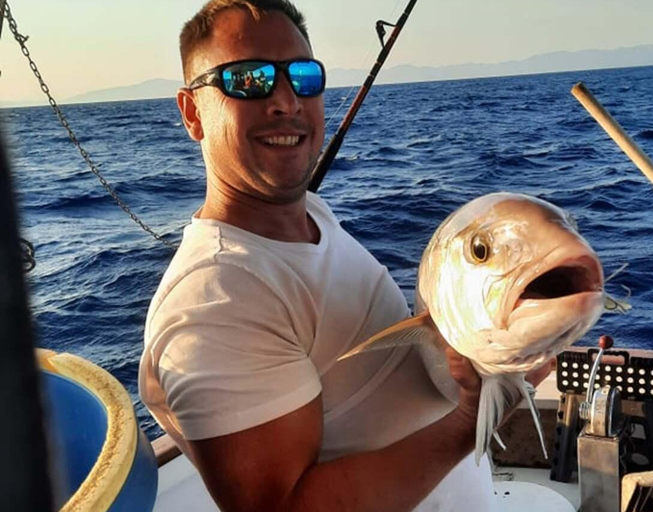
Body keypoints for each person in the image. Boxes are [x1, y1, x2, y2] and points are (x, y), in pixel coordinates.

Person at [138, 1, 550, 511]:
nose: (285, 100)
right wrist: (472, 423)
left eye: (304, 77)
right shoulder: (214, 302)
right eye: (249, 80)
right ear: (192, 112)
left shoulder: (311, 216)